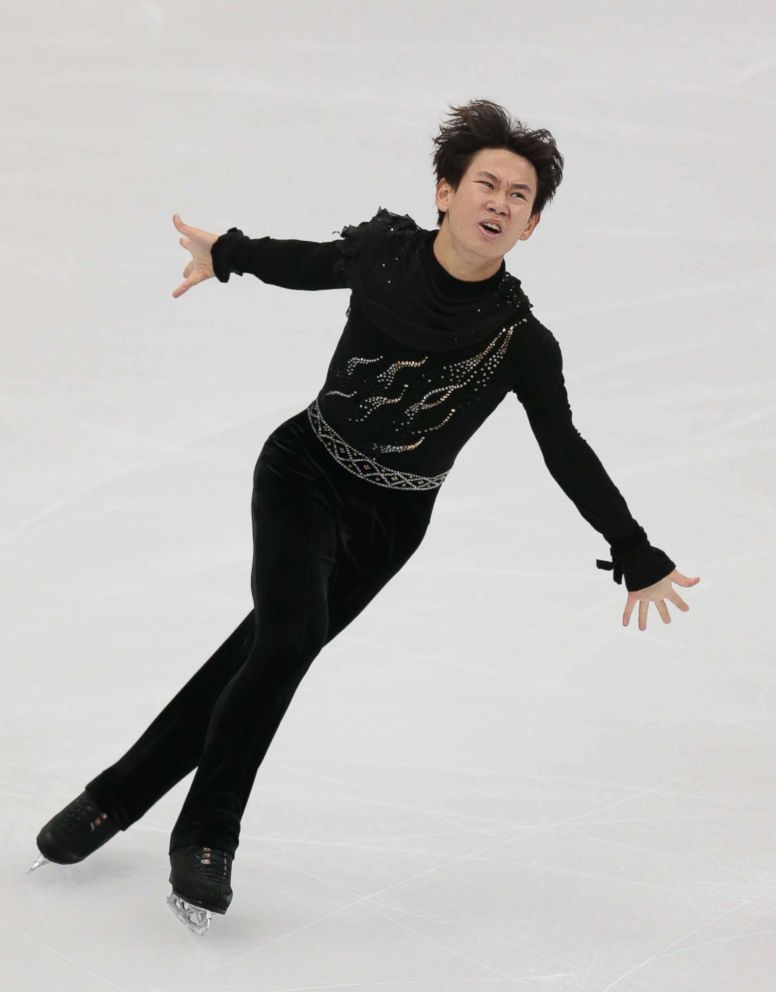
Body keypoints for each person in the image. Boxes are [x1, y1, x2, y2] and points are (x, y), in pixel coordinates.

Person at [29, 98, 700, 934]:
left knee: (261, 652)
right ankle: (205, 837)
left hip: (391, 525)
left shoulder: (523, 342)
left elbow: (565, 447)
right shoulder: (386, 256)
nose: (498, 203)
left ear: (529, 227)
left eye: (518, 197)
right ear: (446, 192)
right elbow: (309, 262)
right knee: (284, 639)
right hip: (303, 471)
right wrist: (229, 254)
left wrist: (631, 547)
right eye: (485, 184)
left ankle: (109, 800)